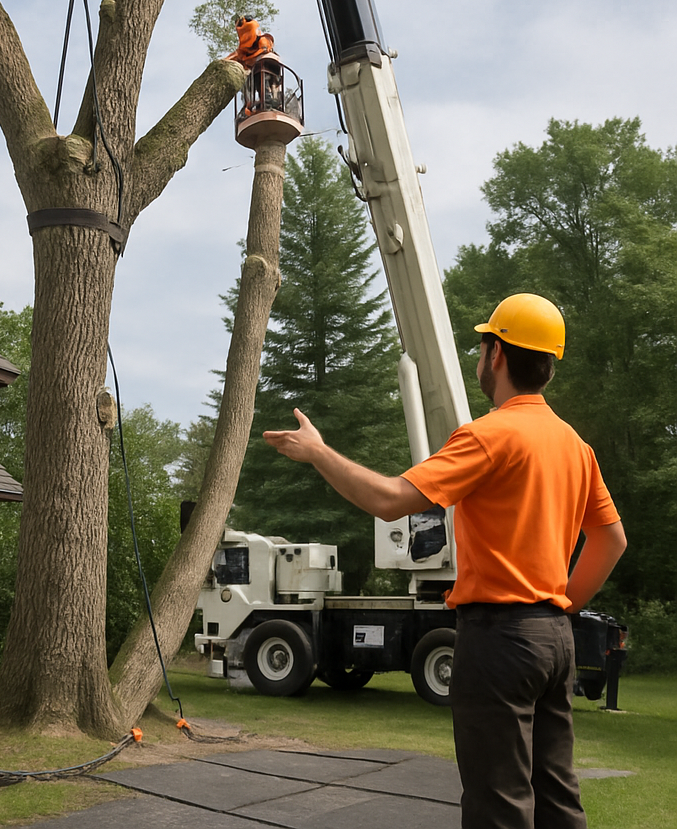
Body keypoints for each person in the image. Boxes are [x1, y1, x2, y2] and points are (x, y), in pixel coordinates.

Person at [262, 293, 626, 829]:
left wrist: (319, 452)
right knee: (557, 800)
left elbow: (389, 500)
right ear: (549, 362)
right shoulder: (576, 446)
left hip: (500, 639)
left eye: (482, 346)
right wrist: (562, 605)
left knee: (498, 805)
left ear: (495, 354)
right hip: (554, 639)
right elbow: (611, 540)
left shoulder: (488, 436)